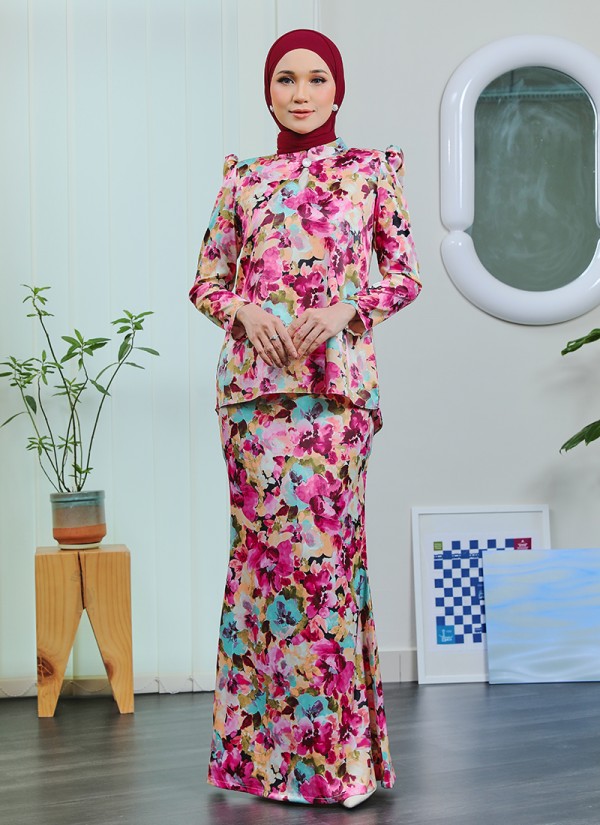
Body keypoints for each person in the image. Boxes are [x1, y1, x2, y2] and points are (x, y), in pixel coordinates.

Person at [189, 28, 421, 808]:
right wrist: (245, 311)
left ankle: (339, 765)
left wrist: (347, 309)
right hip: (253, 400)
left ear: (338, 88)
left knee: (325, 570)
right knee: (261, 571)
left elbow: (404, 275)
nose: (300, 92)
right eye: (285, 78)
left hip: (336, 395)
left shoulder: (371, 172)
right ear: (268, 91)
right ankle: (256, 766)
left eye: (316, 78)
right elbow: (207, 280)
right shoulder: (243, 178)